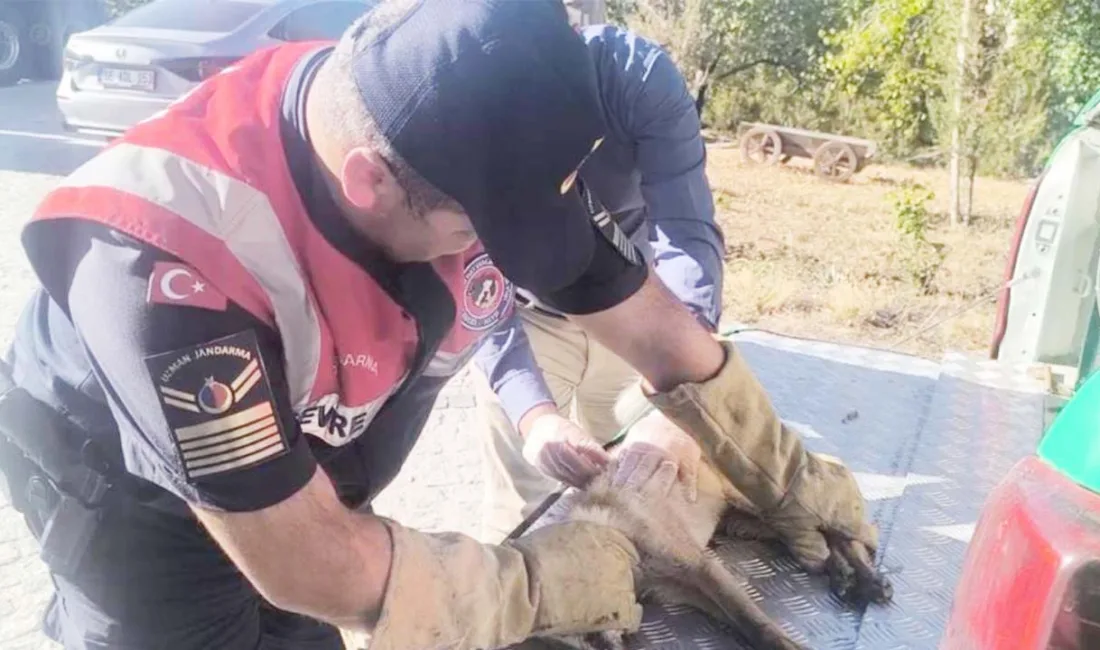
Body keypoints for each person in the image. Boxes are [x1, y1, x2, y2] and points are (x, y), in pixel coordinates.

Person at [0, 1, 878, 650]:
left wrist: (780, 470)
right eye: (471, 235)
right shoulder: (165, 265)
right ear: (368, 183)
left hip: (308, 455)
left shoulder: (463, 143)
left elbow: (650, 325)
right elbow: (305, 560)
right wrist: (533, 584)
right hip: (127, 482)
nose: (495, 260)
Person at [471, 17, 727, 543]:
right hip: (524, 315)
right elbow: (471, 275)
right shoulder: (462, 102)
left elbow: (685, 231)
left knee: (645, 491)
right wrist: (535, 417)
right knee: (527, 517)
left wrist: (681, 396)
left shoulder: (641, 78)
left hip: (632, 302)